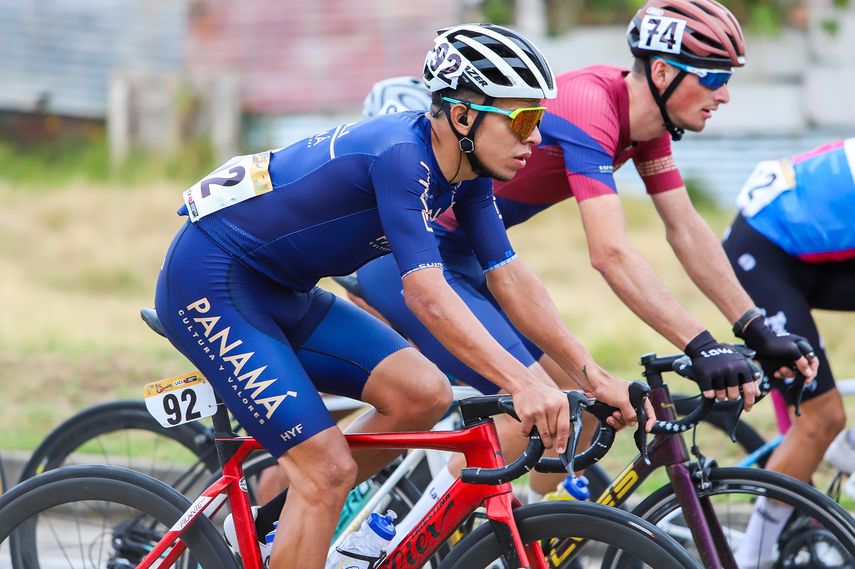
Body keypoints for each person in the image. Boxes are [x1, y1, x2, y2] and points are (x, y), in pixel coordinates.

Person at [153, 23, 649, 569]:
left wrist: (591, 376)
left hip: (282, 290)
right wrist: (522, 384)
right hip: (211, 283)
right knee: (327, 471)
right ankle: (306, 507)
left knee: (423, 394)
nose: (536, 136)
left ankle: (280, 525)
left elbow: (508, 276)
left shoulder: (467, 172)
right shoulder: (401, 155)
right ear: (463, 115)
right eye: (524, 119)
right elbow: (427, 294)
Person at [352, 0, 818, 503]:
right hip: (410, 260)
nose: (724, 95)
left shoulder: (645, 129)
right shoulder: (591, 106)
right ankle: (423, 543)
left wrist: (753, 327)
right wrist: (700, 344)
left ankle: (533, 529)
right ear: (661, 71)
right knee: (524, 410)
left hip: (474, 261)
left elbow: (686, 228)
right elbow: (610, 254)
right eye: (712, 78)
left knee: (587, 411)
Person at [723, 137, 855, 567]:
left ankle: (845, 447)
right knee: (823, 418)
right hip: (762, 252)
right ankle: (752, 557)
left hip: (809, 253)